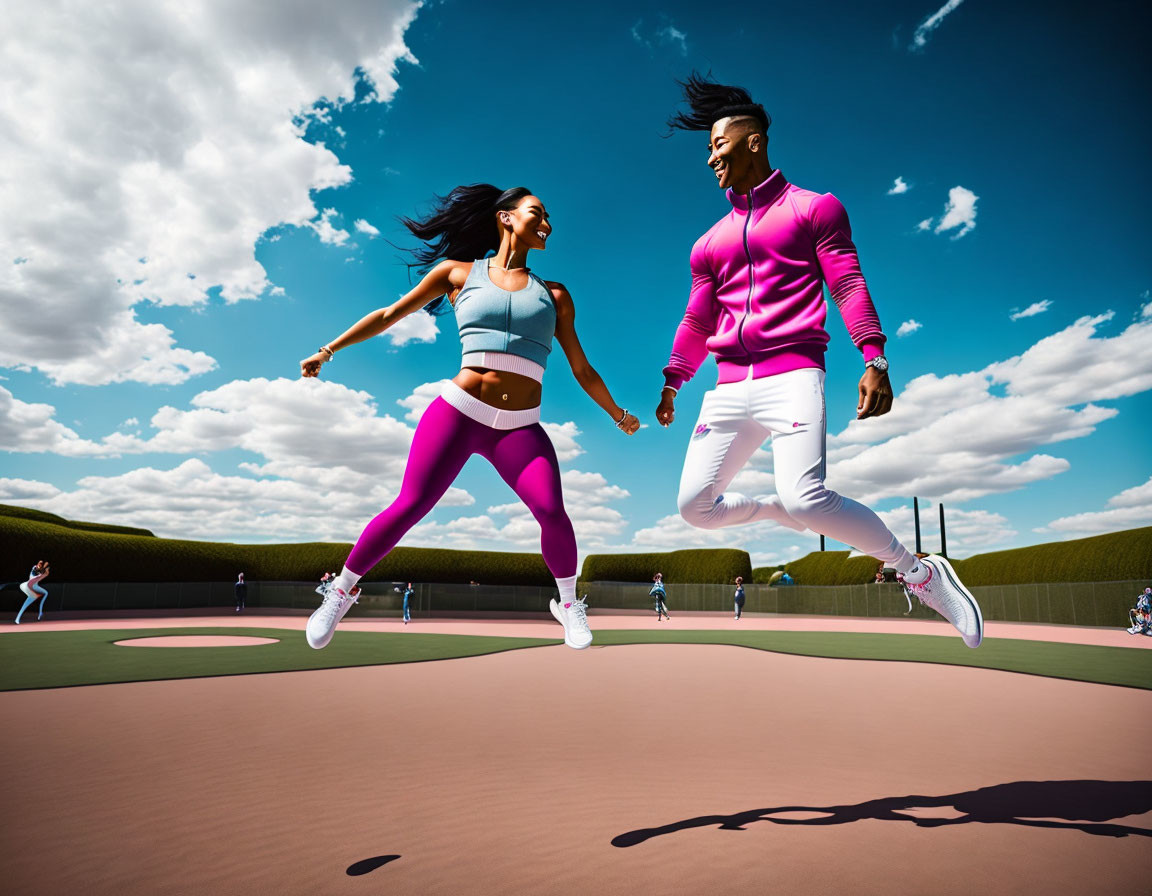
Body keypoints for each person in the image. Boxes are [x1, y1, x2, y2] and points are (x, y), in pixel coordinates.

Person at [656, 72, 983, 648]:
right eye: (707, 149)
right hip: (728, 387)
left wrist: (875, 357)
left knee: (809, 496)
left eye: (718, 145)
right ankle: (778, 508)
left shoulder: (816, 209)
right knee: (695, 508)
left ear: (753, 141)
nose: (710, 158)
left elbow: (848, 284)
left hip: (793, 377)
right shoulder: (707, 243)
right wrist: (674, 381)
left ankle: (918, 572)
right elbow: (696, 320)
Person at [299, 184, 639, 651]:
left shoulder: (555, 295)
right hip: (459, 414)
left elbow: (582, 367)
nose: (547, 224)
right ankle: (339, 593)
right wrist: (328, 350)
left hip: (520, 428)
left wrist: (617, 414)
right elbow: (391, 313)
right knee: (410, 505)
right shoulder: (458, 273)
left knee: (552, 512)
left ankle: (566, 604)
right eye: (537, 213)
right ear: (505, 217)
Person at [15, 560, 49, 624]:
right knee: (26, 604)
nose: (40, 564)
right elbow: (37, 571)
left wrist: (46, 570)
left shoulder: (40, 573)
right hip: (28, 586)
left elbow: (44, 574)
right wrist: (44, 567)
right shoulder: (34, 568)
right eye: (39, 563)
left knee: (46, 593)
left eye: (41, 564)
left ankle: (40, 612)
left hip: (35, 587)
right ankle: (17, 618)